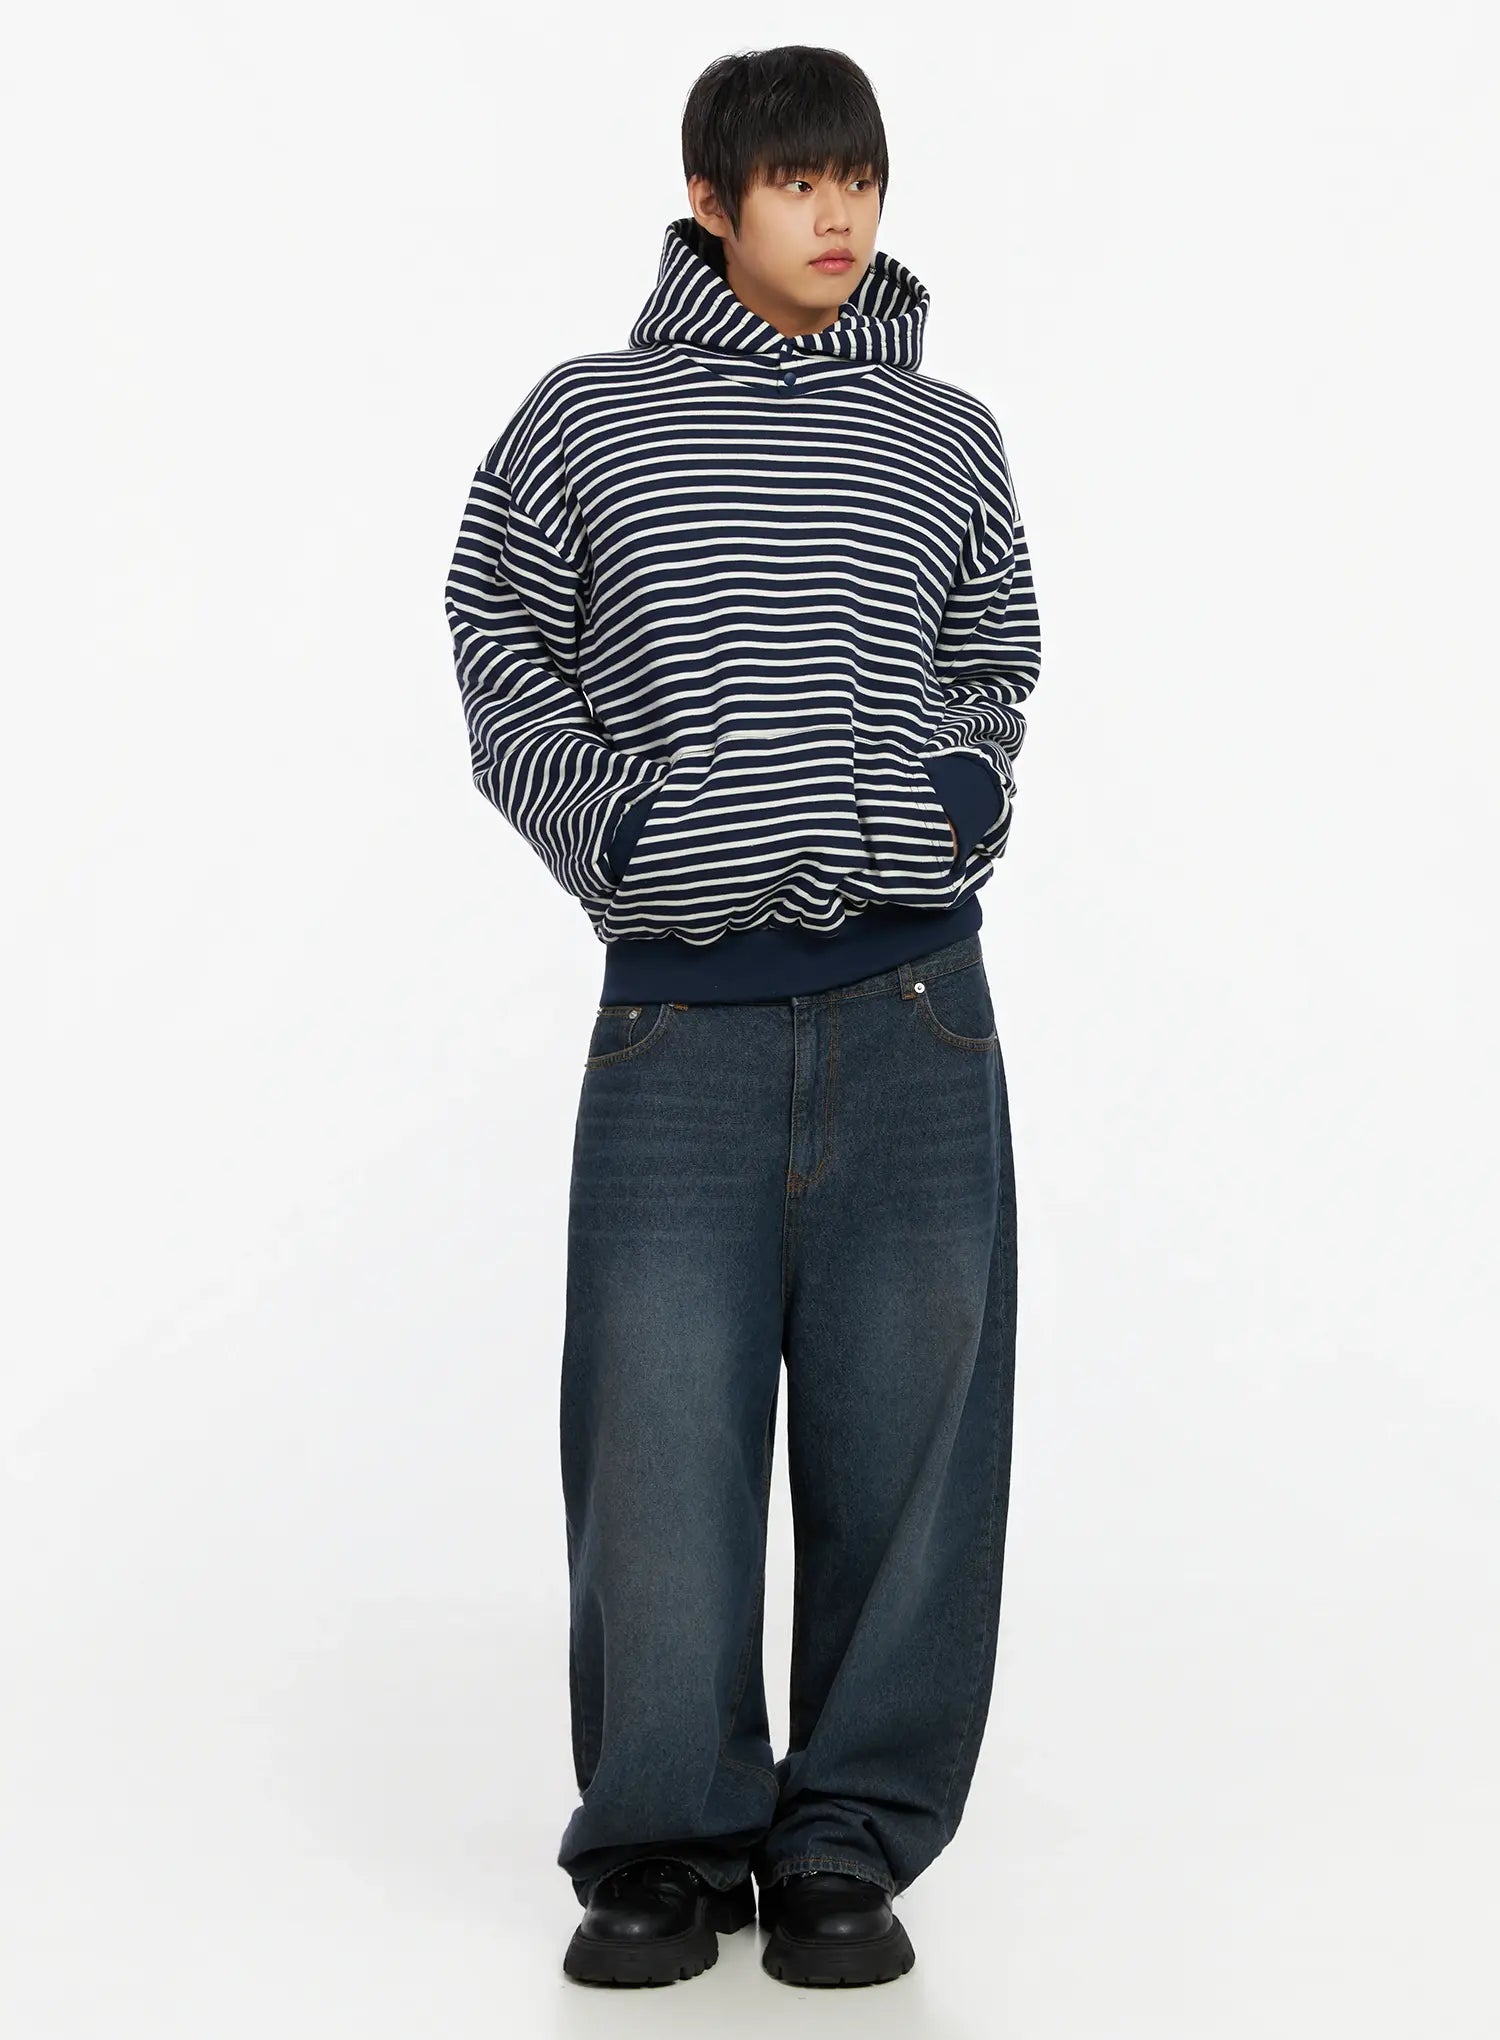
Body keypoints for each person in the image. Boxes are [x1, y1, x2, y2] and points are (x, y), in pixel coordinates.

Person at [443, 43, 1042, 1990]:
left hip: (915, 1015)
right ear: (710, 202)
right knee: (658, 1445)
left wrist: (945, 802)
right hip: (680, 1032)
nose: (839, 211)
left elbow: (996, 657)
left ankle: (848, 1842)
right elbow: (498, 642)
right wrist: (625, 836)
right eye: (796, 180)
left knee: (911, 1449)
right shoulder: (587, 419)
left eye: (859, 175)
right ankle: (662, 1846)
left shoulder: (947, 434)